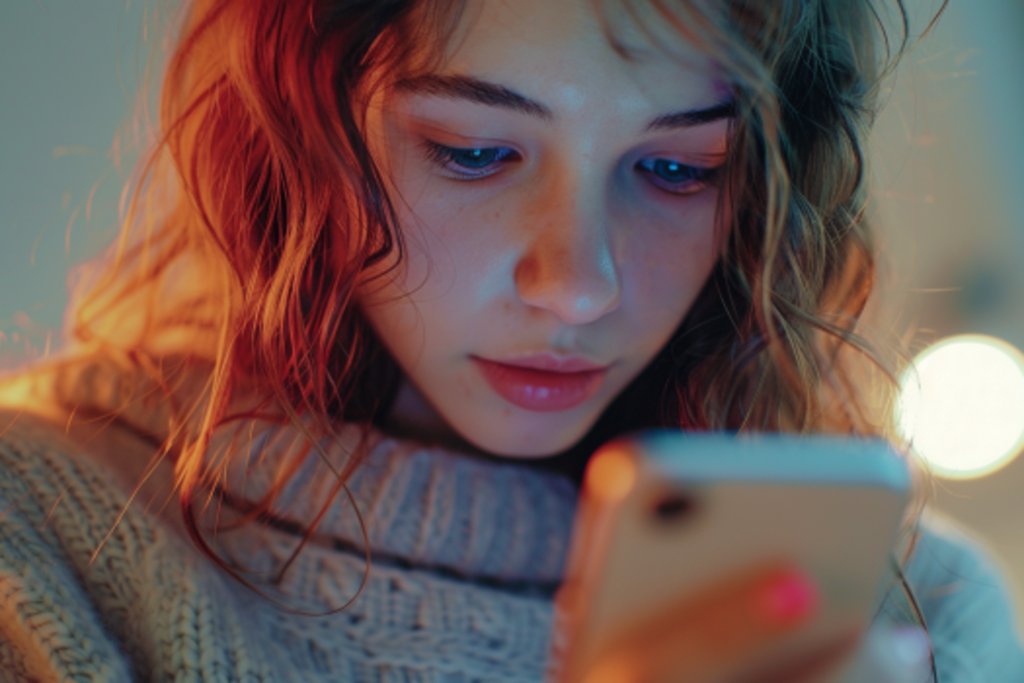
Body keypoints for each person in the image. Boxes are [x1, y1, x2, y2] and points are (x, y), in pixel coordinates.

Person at [0, 0, 1021, 681]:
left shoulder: (919, 617)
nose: (577, 285)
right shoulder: (41, 546)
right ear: (295, 130)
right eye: (474, 151)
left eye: (679, 170)